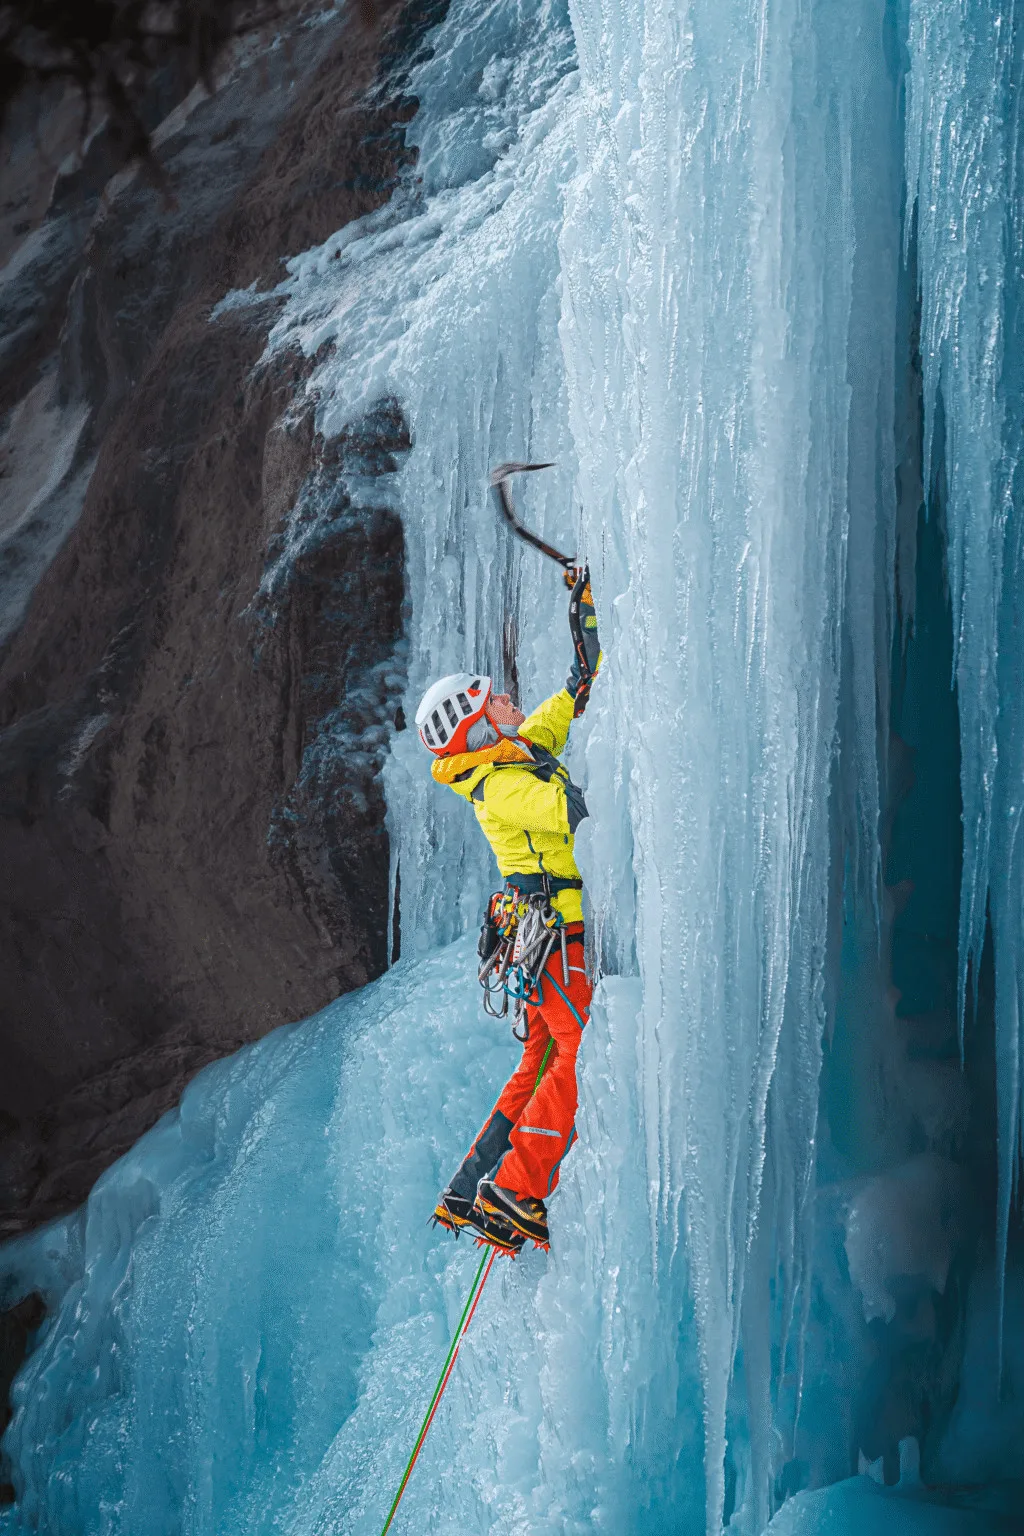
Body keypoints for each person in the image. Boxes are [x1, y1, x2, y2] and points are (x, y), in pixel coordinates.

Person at [414, 572, 601, 1252]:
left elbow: (573, 694)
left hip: (539, 948)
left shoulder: (514, 754)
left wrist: (582, 611)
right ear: (474, 724)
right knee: (580, 1052)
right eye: (492, 697)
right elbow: (576, 811)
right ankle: (517, 1188)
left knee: (541, 1061)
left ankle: (472, 1188)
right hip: (558, 943)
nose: (507, 697)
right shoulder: (498, 787)